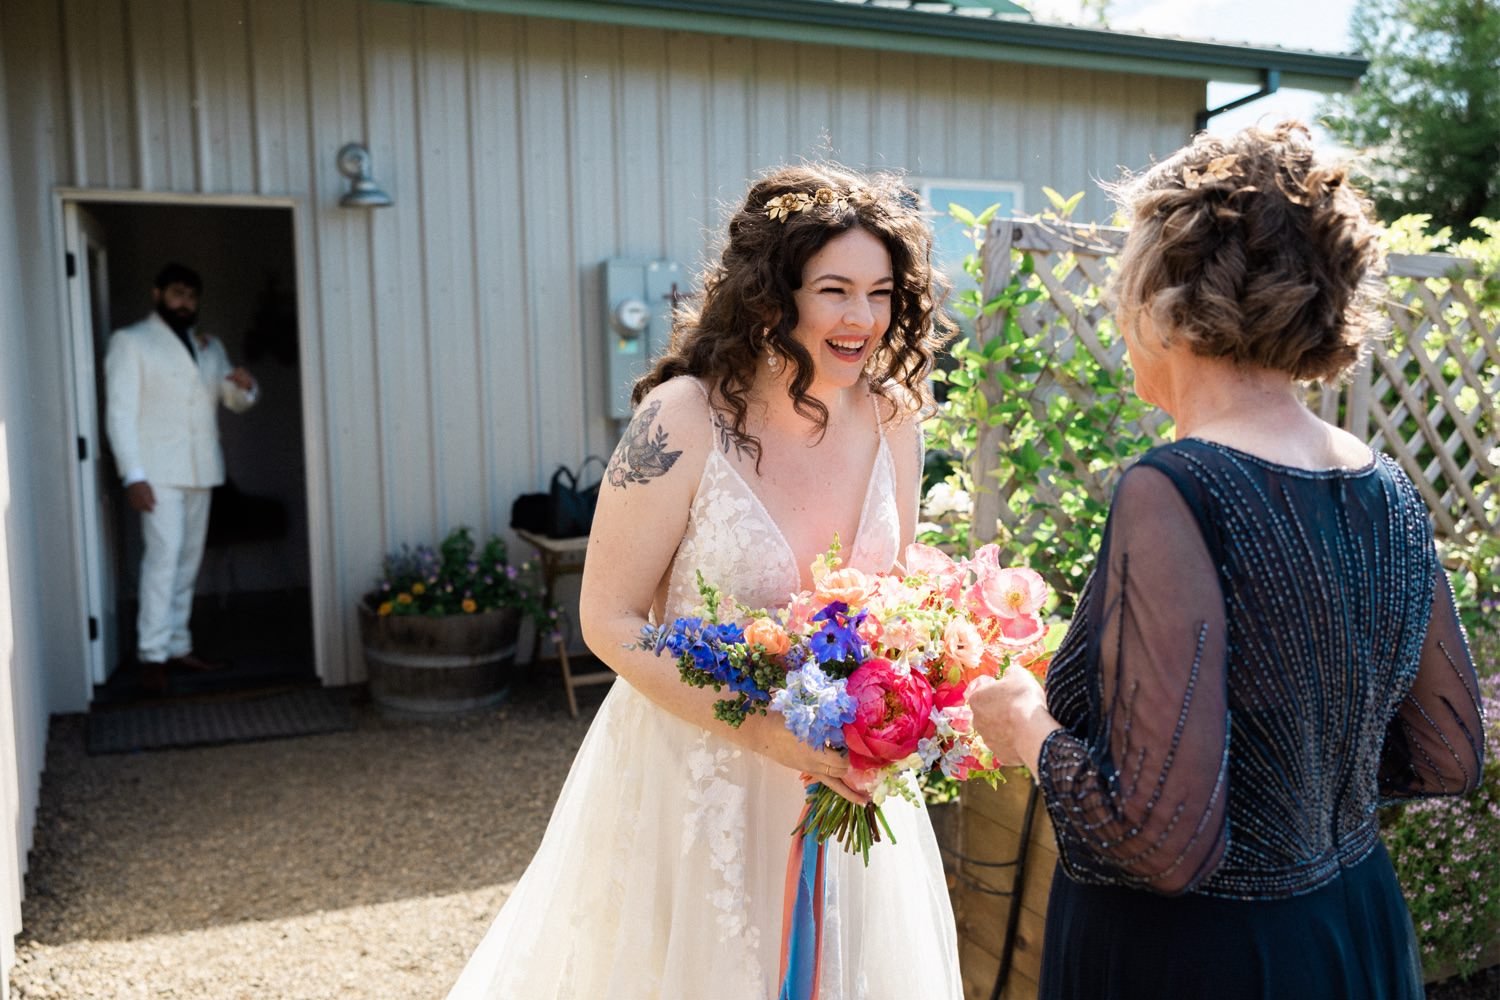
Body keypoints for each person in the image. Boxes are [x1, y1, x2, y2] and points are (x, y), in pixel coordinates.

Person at [967, 121, 1486, 1000]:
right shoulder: (1388, 486)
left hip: (1201, 960)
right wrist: (1299, 796)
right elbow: (1447, 754)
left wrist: (1025, 724)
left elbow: (1157, 840)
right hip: (1353, 929)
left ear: (1165, 295)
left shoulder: (1178, 484)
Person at [447, 165, 962, 998]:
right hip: (697, 779)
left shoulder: (893, 414)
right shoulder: (683, 418)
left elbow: (899, 600)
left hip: (847, 785)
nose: (861, 319)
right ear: (770, 293)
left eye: (880, 292)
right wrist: (763, 733)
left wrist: (907, 699)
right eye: (833, 289)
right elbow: (609, 621)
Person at [104, 262, 258, 692]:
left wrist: (245, 387)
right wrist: (133, 474)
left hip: (201, 468)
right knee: (163, 561)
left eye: (191, 295)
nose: (184, 302)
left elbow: (232, 399)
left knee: (187, 563)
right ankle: (152, 656)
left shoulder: (208, 346)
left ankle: (178, 644)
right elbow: (120, 413)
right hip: (157, 472)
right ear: (157, 295)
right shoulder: (132, 342)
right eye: (176, 294)